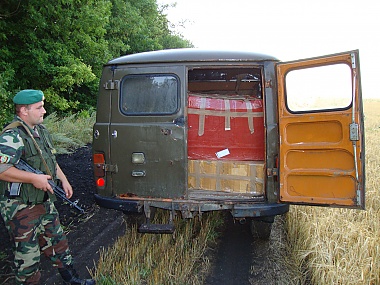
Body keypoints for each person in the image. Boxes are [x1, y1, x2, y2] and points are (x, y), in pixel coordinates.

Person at [0, 90, 95, 285]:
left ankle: (72, 280)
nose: (44, 111)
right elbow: (2, 169)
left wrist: (64, 179)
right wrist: (33, 178)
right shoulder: (13, 135)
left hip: (44, 201)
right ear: (24, 111)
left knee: (59, 244)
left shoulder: (40, 131)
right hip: (21, 208)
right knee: (28, 259)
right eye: (39, 107)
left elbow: (50, 160)